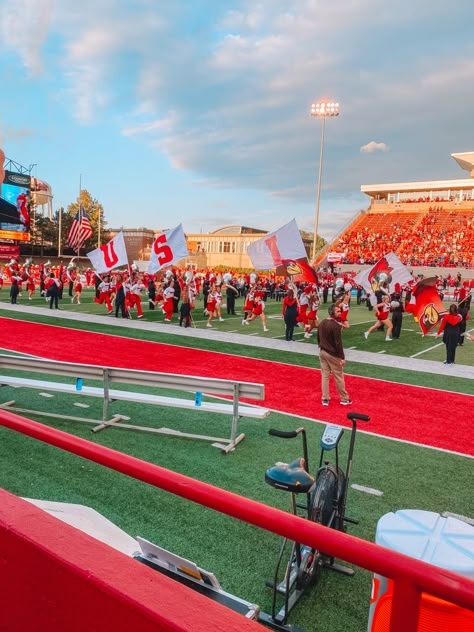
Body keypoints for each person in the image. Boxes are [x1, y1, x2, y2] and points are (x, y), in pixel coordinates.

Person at [317, 304, 351, 406]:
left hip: (322, 352)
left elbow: (318, 337)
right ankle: (344, 398)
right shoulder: (336, 326)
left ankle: (325, 398)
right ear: (332, 313)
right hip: (332, 354)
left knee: (325, 376)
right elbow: (338, 343)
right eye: (338, 311)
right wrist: (342, 357)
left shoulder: (322, 322)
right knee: (338, 376)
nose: (340, 313)